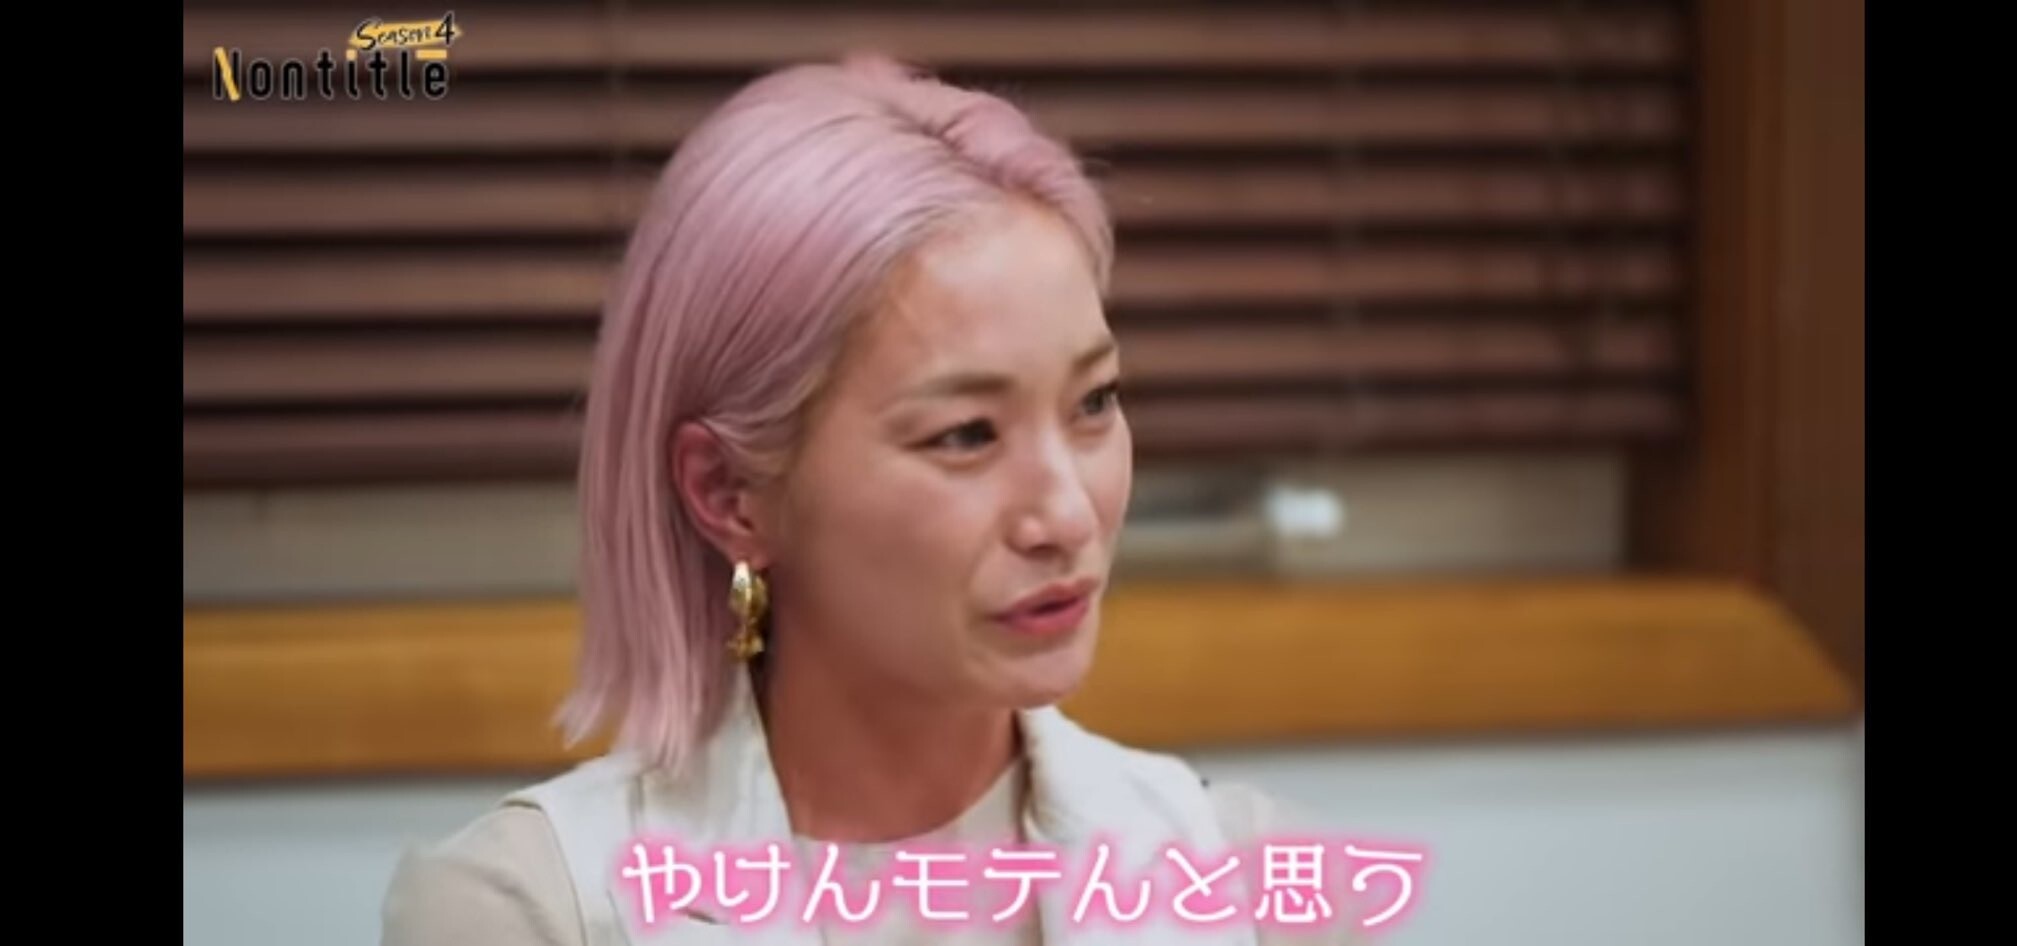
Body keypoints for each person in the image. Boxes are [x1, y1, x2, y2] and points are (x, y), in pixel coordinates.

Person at [380, 55, 1370, 945]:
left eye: (1094, 402)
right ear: (730, 494)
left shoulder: (1267, 897)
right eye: (966, 434)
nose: (1068, 516)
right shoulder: (527, 913)